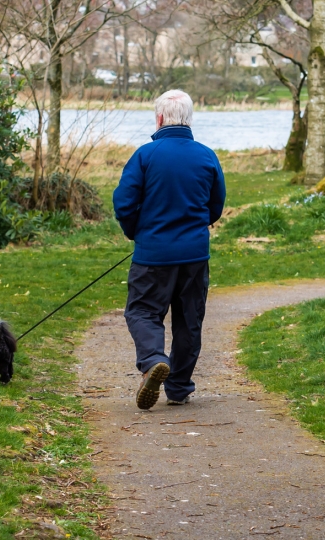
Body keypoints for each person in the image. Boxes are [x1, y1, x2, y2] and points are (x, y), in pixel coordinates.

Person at [112, 89, 226, 410]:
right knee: (189, 320)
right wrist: (195, 227)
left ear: (159, 118)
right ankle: (178, 387)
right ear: (188, 119)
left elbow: (123, 202)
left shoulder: (145, 156)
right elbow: (215, 205)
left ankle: (152, 360)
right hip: (194, 255)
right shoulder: (206, 156)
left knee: (143, 311)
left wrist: (136, 231)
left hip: (153, 255)